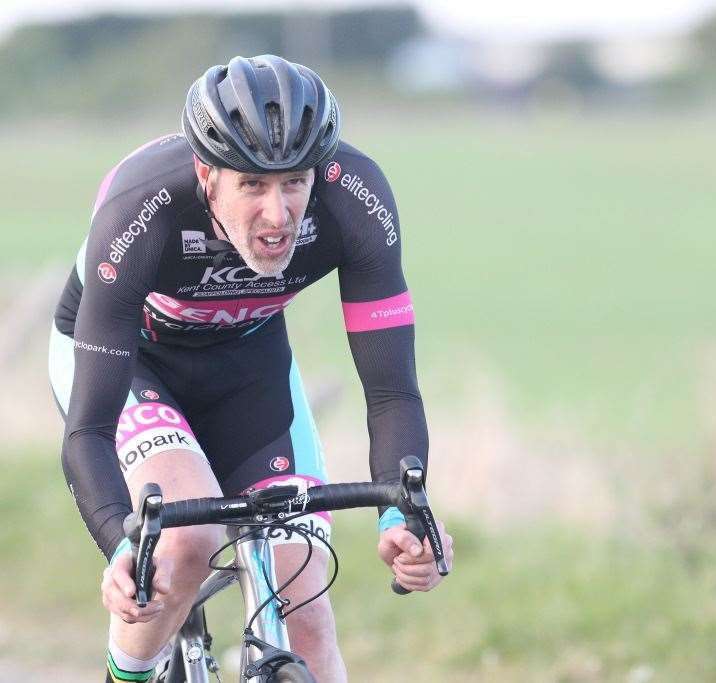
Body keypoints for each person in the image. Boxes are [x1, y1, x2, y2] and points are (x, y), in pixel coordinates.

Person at [48, 54, 454, 683]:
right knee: (183, 545)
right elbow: (88, 433)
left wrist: (405, 516)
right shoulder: (141, 210)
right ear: (207, 175)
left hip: (247, 365)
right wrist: (121, 545)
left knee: (308, 614)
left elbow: (393, 390)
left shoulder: (358, 201)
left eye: (295, 182)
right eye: (253, 186)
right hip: (132, 362)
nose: (278, 213)